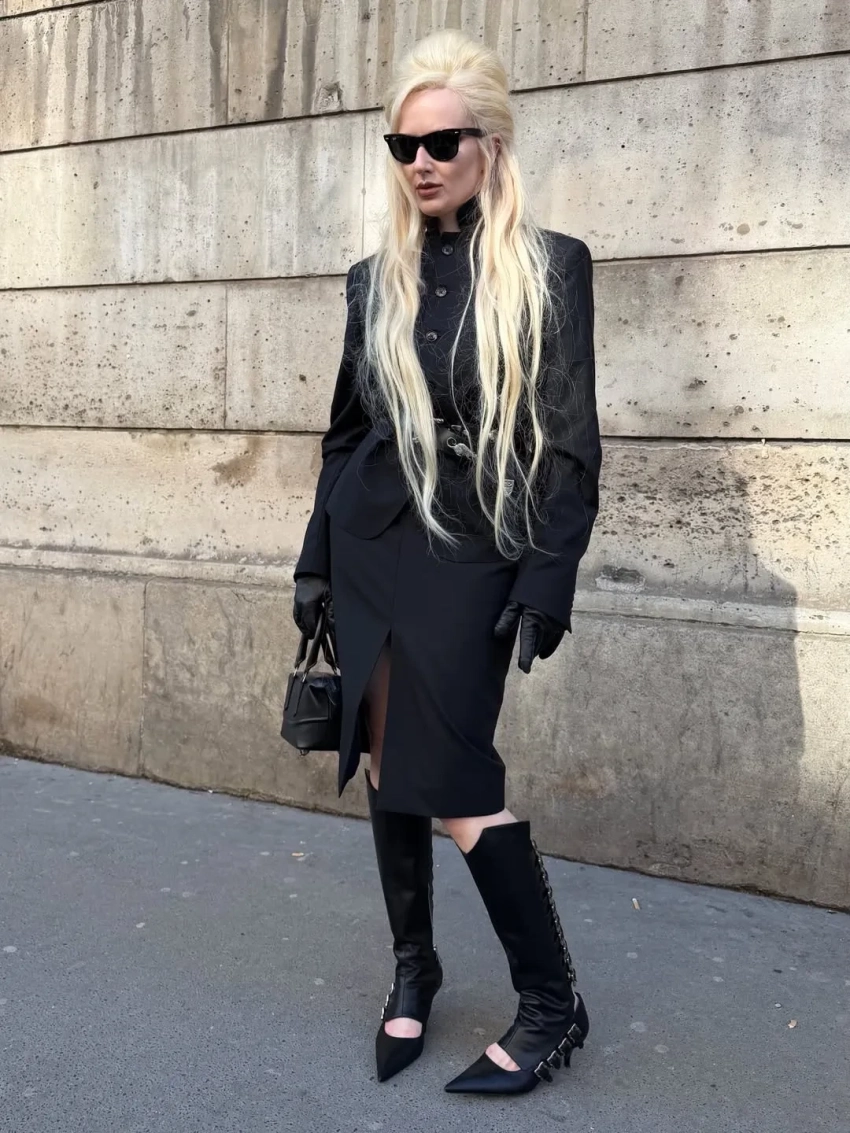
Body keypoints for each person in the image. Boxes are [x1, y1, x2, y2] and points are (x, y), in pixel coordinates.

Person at [292, 28, 601, 1096]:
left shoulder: (551, 266)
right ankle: (412, 970)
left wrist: (547, 578)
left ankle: (552, 1002)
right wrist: (314, 567)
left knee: (456, 782)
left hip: (474, 555)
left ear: (489, 144)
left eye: (441, 142)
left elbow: (569, 444)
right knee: (386, 768)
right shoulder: (371, 280)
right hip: (372, 547)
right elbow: (344, 438)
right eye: (403, 145)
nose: (419, 162)